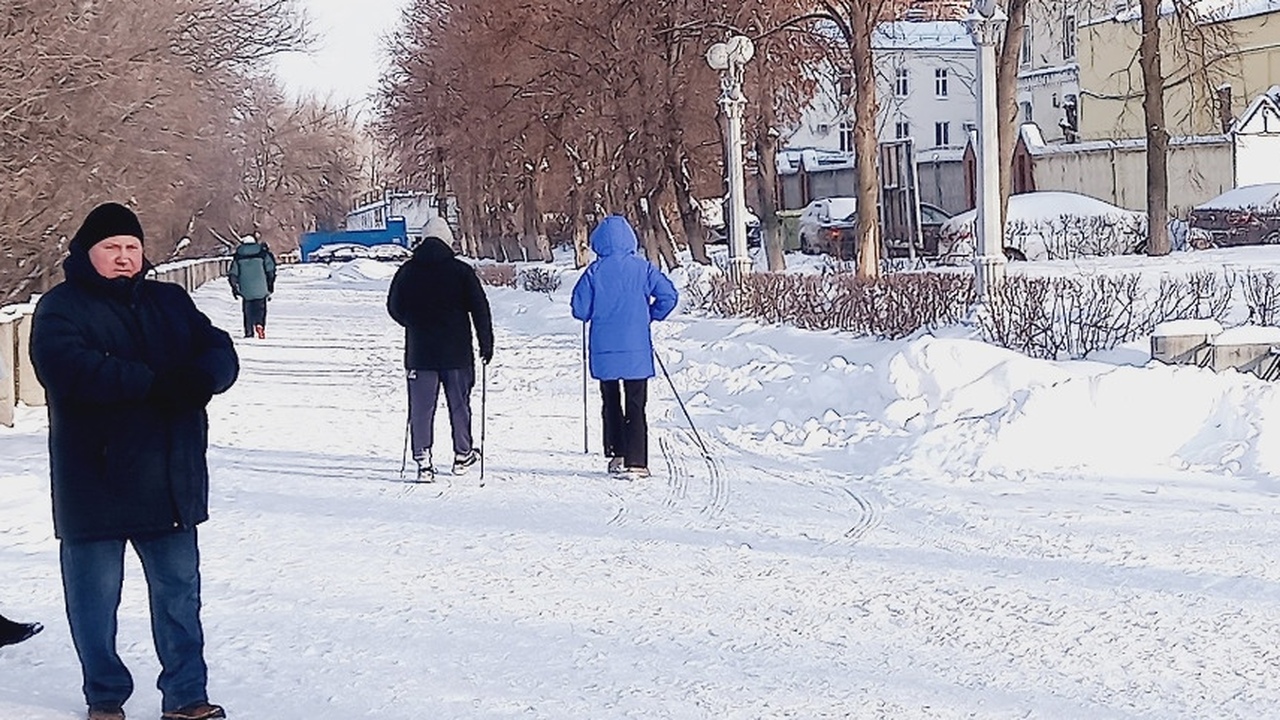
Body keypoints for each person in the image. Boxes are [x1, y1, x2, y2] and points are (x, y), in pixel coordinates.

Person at [29, 202, 239, 720]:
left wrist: (203, 378)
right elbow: (67, 368)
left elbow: (218, 349)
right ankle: (104, 696)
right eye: (112, 249)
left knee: (179, 598)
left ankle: (187, 697)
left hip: (169, 476)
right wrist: (153, 384)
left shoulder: (170, 301)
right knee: (95, 605)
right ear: (87, 253)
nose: (124, 258)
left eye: (131, 248)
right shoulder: (60, 308)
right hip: (94, 479)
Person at [570, 215, 678, 478]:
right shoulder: (643, 269)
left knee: (610, 401)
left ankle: (616, 453)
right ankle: (637, 462)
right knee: (636, 403)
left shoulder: (594, 272)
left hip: (604, 349)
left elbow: (580, 310)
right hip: (636, 348)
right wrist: (650, 314)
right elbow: (669, 296)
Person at [387, 216, 494, 480]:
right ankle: (462, 454)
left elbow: (394, 306)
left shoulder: (407, 271)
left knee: (421, 408)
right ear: (448, 240)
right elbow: (480, 309)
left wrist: (412, 323)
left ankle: (423, 460)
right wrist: (486, 343)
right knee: (459, 404)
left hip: (419, 352)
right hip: (456, 353)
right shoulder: (461, 272)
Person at [227, 233, 276, 339]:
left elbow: (233, 274)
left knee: (248, 310)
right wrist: (270, 285)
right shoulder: (262, 254)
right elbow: (270, 270)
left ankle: (249, 332)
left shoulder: (238, 256)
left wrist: (234, 288)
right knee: (261, 308)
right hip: (261, 286)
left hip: (245, 288)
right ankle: (260, 324)